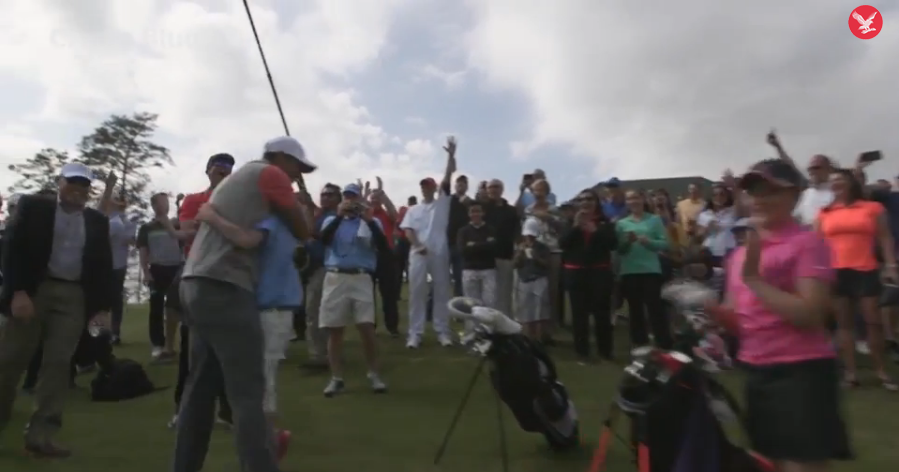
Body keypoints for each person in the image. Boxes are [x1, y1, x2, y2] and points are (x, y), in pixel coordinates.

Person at [172, 137, 314, 472]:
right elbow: (302, 229)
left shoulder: (240, 182)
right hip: (225, 286)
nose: (297, 176)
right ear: (280, 158)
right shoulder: (269, 174)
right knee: (249, 394)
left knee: (200, 391)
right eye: (297, 167)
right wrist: (301, 206)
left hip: (195, 283)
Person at [707, 159, 852, 472]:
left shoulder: (808, 243)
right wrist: (712, 314)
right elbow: (740, 321)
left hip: (802, 372)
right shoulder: (740, 255)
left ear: (794, 195)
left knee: (800, 465)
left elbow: (812, 315)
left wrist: (755, 282)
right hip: (758, 372)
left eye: (770, 190)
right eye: (752, 190)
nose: (759, 198)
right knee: (767, 464)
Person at [0, 163, 113, 458]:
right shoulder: (34, 207)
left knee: (59, 363)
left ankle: (41, 436)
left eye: (84, 185)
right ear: (59, 182)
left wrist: (102, 308)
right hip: (35, 291)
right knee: (10, 360)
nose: (78, 190)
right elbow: (12, 249)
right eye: (72, 183)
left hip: (73, 294)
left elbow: (103, 267)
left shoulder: (96, 221)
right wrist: (18, 292)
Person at [192, 201, 303, 460]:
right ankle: (268, 439)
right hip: (273, 308)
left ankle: (269, 442)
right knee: (261, 376)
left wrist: (212, 217)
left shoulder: (271, 223)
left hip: (271, 308)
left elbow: (245, 240)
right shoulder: (285, 225)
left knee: (262, 377)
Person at [167, 153, 235, 430]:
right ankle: (183, 410)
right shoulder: (194, 199)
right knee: (191, 349)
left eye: (227, 169)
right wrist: (221, 224)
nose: (221, 171)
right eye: (217, 167)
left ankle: (226, 412)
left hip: (227, 276)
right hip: (195, 275)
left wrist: (210, 222)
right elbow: (186, 231)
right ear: (208, 171)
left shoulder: (237, 201)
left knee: (226, 349)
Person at [816, 168, 898, 390]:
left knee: (873, 323)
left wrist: (891, 265)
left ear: (852, 183)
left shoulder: (872, 208)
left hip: (865, 269)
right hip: (836, 272)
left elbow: (885, 237)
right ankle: (851, 374)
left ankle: (882, 371)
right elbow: (815, 243)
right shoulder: (825, 212)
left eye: (840, 179)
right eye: (833, 180)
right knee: (844, 325)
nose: (836, 183)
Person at [318, 187, 390, 397]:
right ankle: (337, 378)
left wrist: (368, 220)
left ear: (360, 199)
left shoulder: (371, 222)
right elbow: (323, 239)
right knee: (335, 329)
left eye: (354, 197)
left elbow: (383, 247)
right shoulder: (331, 220)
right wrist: (339, 217)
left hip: (361, 276)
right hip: (335, 276)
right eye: (347, 197)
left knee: (367, 328)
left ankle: (374, 374)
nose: (351, 201)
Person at [401, 137, 457, 349]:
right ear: (421, 189)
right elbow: (408, 230)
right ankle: (414, 334)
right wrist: (417, 246)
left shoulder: (442, 203)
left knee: (442, 290)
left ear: (434, 189)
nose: (426, 189)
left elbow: (448, 177)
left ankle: (443, 331)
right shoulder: (413, 210)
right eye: (423, 186)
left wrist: (451, 157)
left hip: (439, 252)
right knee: (417, 292)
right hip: (418, 254)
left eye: (429, 186)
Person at [560, 189, 617, 363]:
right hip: (575, 273)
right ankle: (582, 353)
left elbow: (613, 244)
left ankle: (605, 352)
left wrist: (595, 231)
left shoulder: (604, 222)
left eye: (590, 199)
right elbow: (562, 244)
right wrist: (576, 227)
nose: (585, 202)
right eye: (582, 199)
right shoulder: (570, 222)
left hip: (599, 272)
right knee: (579, 315)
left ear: (596, 202)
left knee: (602, 314)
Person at [616, 190, 672, 349]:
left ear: (642, 200)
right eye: (629, 199)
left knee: (656, 309)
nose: (633, 201)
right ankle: (640, 344)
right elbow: (619, 250)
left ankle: (664, 344)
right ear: (626, 203)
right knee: (635, 310)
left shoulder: (654, 220)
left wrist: (648, 242)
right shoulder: (622, 224)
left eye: (636, 197)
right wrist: (627, 242)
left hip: (651, 270)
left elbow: (664, 244)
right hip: (629, 271)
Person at [137, 193, 183, 359]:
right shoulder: (146, 228)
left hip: (176, 269)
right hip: (156, 269)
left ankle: (173, 343)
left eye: (167, 202)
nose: (165, 205)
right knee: (156, 308)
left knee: (176, 307)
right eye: (162, 202)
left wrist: (179, 205)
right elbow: (143, 252)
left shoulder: (176, 225)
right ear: (154, 206)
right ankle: (157, 344)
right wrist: (146, 272)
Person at [302, 183, 341, 369]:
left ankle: (320, 356)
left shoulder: (335, 218)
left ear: (338, 199)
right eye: (323, 194)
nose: (325, 197)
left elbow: (316, 234)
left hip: (326, 268)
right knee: (317, 312)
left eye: (330, 195)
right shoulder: (321, 215)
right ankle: (323, 353)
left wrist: (309, 209)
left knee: (316, 311)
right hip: (314, 268)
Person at [524, 179, 564, 341]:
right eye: (535, 190)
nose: (538, 193)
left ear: (547, 192)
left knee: (551, 292)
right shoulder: (528, 210)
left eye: (541, 190)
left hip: (552, 252)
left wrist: (548, 218)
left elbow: (563, 228)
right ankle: (533, 330)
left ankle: (549, 331)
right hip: (534, 253)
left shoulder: (555, 209)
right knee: (534, 293)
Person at [369, 179, 401, 336]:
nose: (374, 201)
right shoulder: (367, 214)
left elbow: (395, 216)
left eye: (377, 198)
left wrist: (383, 196)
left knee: (388, 293)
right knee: (368, 294)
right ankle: (370, 326)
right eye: (372, 198)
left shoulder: (385, 213)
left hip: (386, 254)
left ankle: (392, 327)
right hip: (368, 255)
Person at [482, 179, 519, 317]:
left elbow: (516, 232)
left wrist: (517, 251)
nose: (493, 189)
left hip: (505, 255)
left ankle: (505, 326)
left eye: (496, 187)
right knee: (488, 295)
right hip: (485, 258)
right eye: (490, 187)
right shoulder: (482, 209)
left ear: (502, 189)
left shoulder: (511, 211)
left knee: (505, 293)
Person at [457, 200, 497, 308]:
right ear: (469, 214)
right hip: (469, 270)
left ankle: (488, 325)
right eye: (472, 211)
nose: (475, 214)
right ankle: (473, 326)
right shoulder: (463, 231)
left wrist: (473, 245)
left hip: (488, 269)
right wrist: (484, 244)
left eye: (478, 211)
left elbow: (493, 248)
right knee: (472, 305)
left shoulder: (490, 229)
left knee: (490, 302)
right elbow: (462, 251)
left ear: (483, 213)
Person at [695, 184, 737, 267]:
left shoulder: (734, 212)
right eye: (715, 195)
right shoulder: (704, 215)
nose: (718, 197)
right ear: (711, 197)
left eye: (722, 194)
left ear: (727, 196)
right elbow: (698, 236)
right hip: (709, 251)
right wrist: (707, 228)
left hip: (729, 250)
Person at [447, 175, 472, 297]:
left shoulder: (470, 203)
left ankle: (458, 310)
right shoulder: (448, 200)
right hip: (446, 243)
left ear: (467, 187)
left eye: (464, 184)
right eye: (459, 184)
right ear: (455, 186)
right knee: (440, 278)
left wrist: (468, 205)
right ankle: (432, 308)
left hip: (461, 245)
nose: (461, 186)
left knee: (460, 279)